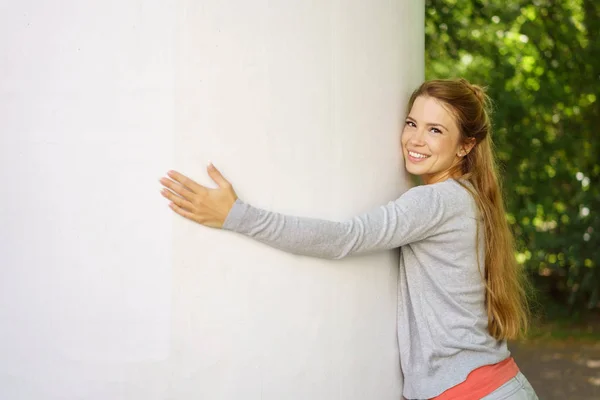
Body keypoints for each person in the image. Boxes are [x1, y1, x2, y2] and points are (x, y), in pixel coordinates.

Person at [159, 78, 539, 400]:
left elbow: (345, 237)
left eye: (435, 130)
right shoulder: (464, 196)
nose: (415, 139)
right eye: (411, 123)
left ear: (465, 146)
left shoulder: (436, 200)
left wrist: (238, 216)